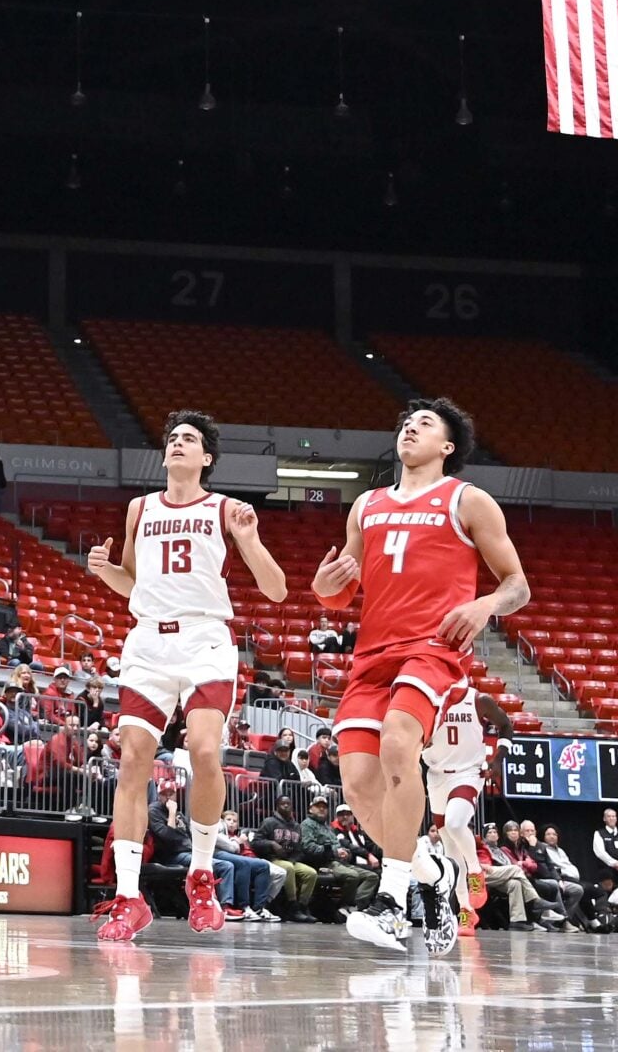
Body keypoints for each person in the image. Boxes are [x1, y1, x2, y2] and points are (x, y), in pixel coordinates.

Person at [313, 396, 530, 953]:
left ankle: (392, 902)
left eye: (425, 424)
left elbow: (517, 586)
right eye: (406, 423)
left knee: (398, 743)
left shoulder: (468, 500)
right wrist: (323, 585)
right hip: (372, 655)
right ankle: (434, 873)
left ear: (447, 446)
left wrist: (483, 607)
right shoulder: (366, 504)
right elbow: (340, 593)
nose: (410, 428)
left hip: (432, 650)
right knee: (358, 786)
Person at [85, 411, 288, 943]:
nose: (177, 444)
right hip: (149, 640)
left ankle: (202, 874)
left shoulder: (226, 510)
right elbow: (133, 586)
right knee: (132, 758)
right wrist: (107, 572)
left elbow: (277, 590)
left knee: (202, 750)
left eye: (189, 439)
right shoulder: (139, 508)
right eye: (172, 438)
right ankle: (129, 897)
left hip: (204, 640)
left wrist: (251, 539)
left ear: (207, 458)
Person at [419, 681, 499, 935]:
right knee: (450, 851)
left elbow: (506, 726)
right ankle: (466, 911)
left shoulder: (478, 699)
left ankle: (476, 872)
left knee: (455, 823)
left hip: (467, 772)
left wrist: (498, 759)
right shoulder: (425, 700)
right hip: (436, 775)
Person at [589, 806, 618, 910]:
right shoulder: (599, 833)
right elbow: (600, 852)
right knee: (608, 898)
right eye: (609, 816)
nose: (611, 818)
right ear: (604, 819)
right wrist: (615, 864)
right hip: (607, 872)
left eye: (613, 816)